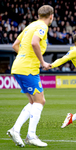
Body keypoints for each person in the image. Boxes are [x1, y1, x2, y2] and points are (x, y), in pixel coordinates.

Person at [7, 5, 54, 147]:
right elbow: (34, 42)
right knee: (40, 101)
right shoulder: (42, 26)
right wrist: (42, 62)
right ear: (51, 16)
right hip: (27, 69)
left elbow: (15, 45)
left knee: (34, 102)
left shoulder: (30, 26)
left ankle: (15, 130)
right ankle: (31, 136)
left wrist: (24, 56)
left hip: (19, 66)